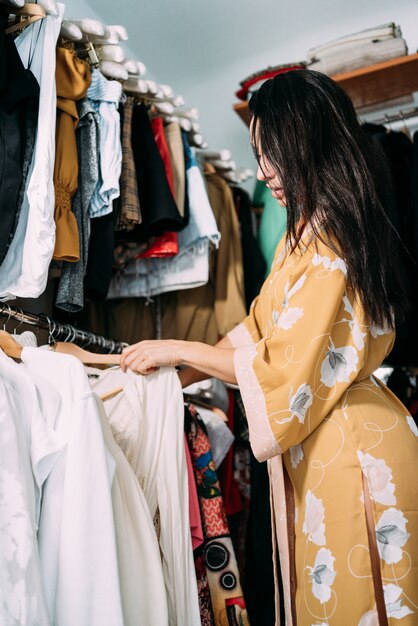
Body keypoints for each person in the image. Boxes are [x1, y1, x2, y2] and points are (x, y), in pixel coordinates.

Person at [120, 70, 418, 625]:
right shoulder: (303, 233)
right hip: (329, 441)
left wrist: (176, 347)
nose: (262, 172)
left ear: (306, 142)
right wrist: (174, 373)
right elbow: (255, 330)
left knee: (362, 605)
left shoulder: (330, 239)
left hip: (353, 447)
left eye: (271, 153)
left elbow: (281, 365)